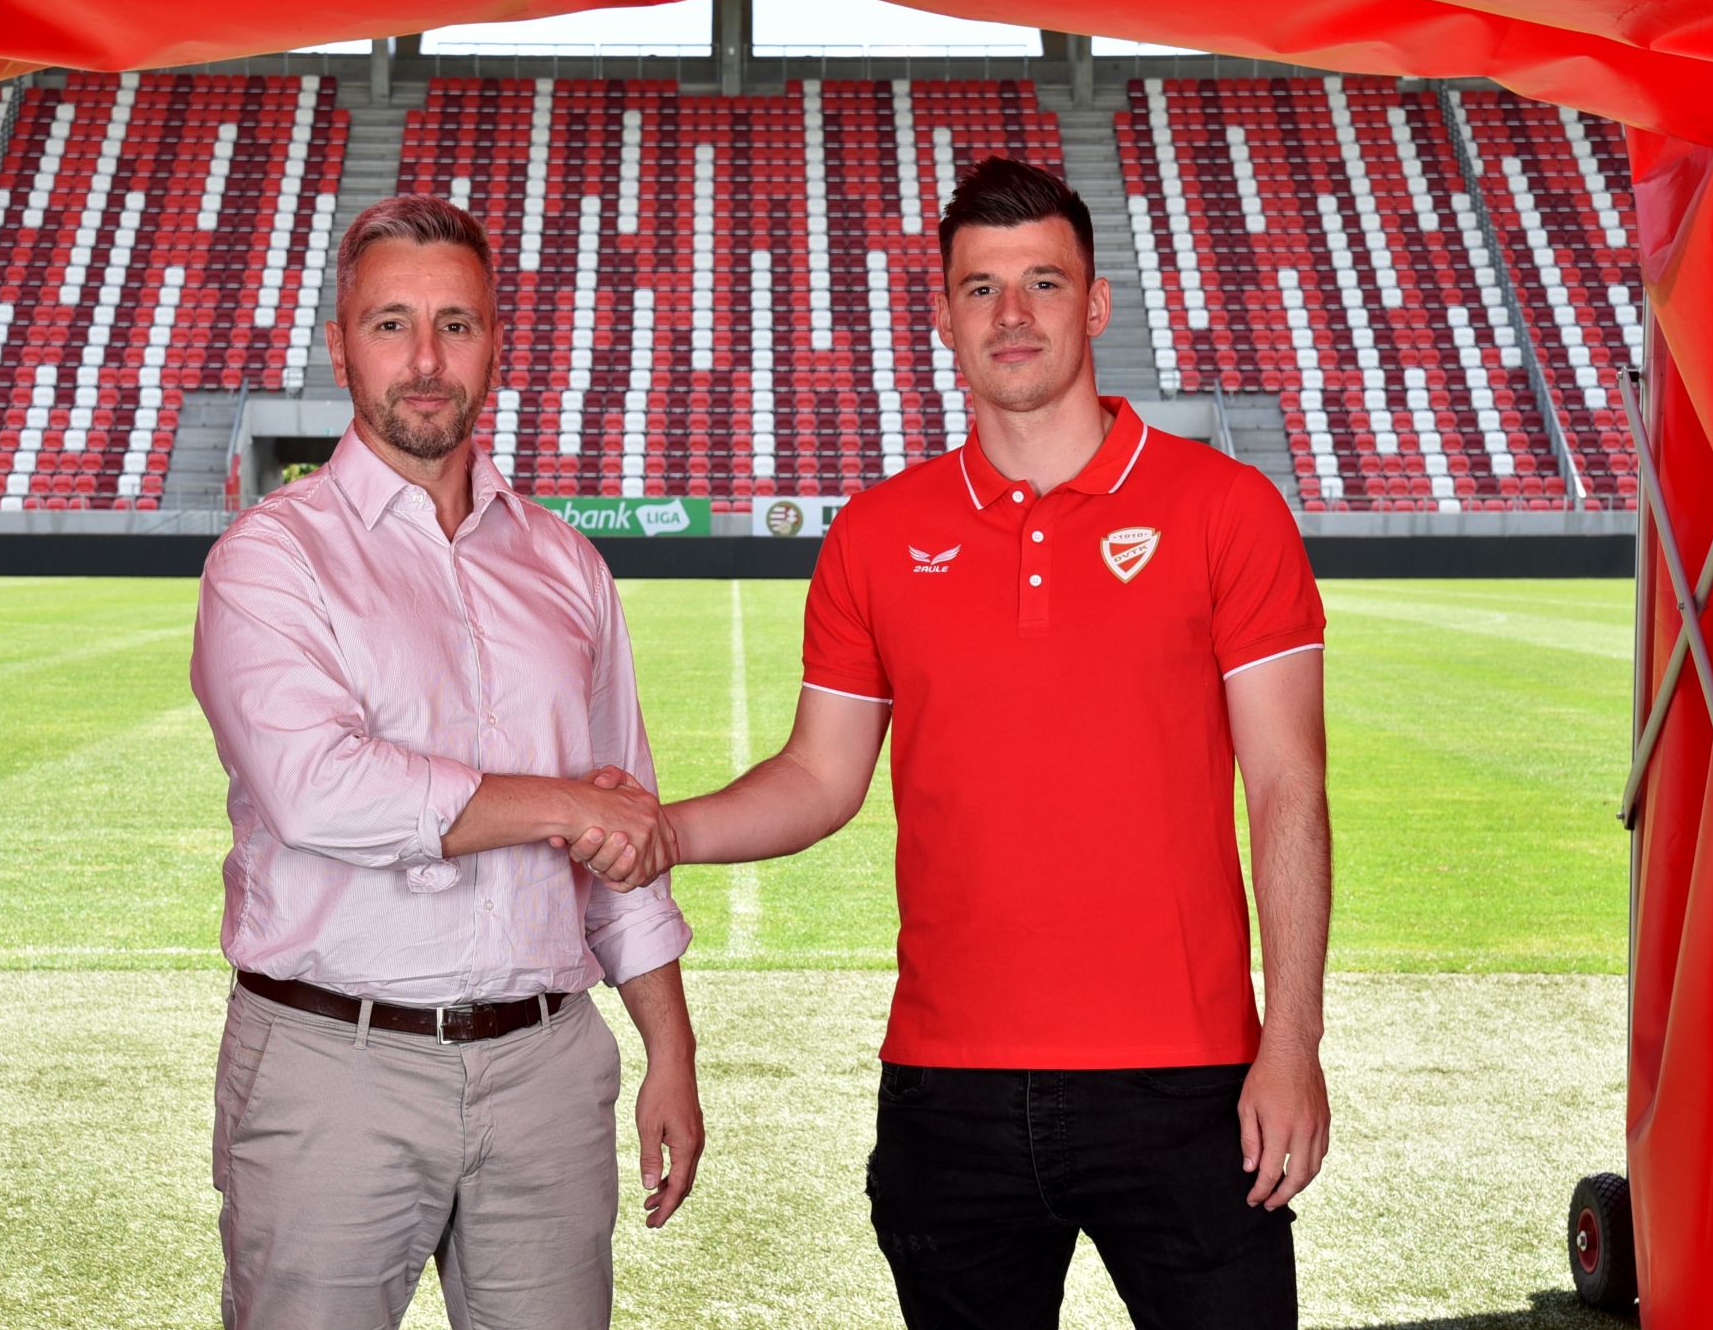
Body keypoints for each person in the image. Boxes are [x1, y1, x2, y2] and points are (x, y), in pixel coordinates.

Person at [574, 156, 1331, 1327]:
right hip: (948, 1086)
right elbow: (819, 776)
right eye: (980, 287)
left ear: (1094, 303)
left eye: (1042, 282)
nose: (1011, 313)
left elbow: (1286, 787)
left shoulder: (1224, 510)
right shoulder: (876, 533)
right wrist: (660, 833)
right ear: (942, 315)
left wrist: (1290, 1042)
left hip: (1186, 1079)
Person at [190, 194, 702, 1330]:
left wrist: (669, 1047)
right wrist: (559, 805)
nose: (425, 360)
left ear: (495, 344)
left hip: (546, 1067)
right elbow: (319, 787)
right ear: (341, 347)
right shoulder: (272, 557)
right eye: (392, 324)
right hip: (334, 1064)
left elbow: (623, 830)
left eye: (455, 325)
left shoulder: (566, 564)